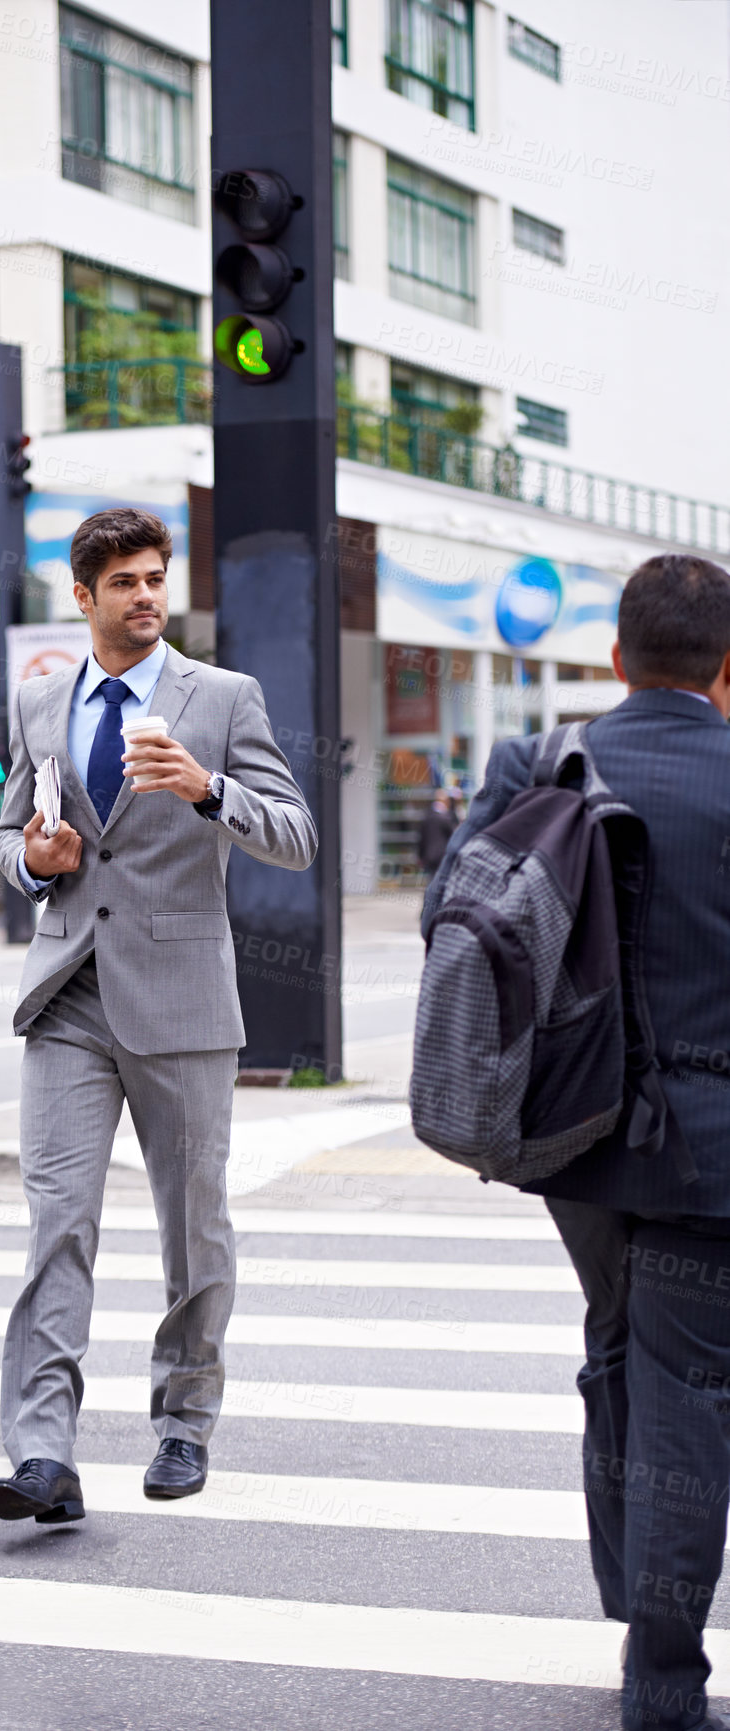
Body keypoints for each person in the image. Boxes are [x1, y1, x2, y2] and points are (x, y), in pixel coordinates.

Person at [424, 554, 730, 1731]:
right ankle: (662, 1682)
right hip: (711, 1155)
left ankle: (630, 1593)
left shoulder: (543, 764)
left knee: (622, 1352)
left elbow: (463, 928)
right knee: (686, 1393)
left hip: (574, 1142)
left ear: (616, 658)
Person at [0, 505, 316, 1525]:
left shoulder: (221, 698)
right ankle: (43, 1453)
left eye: (155, 579)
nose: (145, 597)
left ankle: (184, 1420)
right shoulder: (40, 701)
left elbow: (296, 836)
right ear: (82, 598)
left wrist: (211, 790)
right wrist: (31, 864)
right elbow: (9, 837)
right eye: (124, 582)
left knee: (194, 1227)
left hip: (180, 997)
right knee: (58, 1226)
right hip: (68, 992)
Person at [416, 790, 457, 881]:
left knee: (432, 881)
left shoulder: (426, 816)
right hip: (443, 854)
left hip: (429, 855)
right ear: (446, 801)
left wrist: (420, 856)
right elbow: (453, 836)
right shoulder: (447, 817)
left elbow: (422, 838)